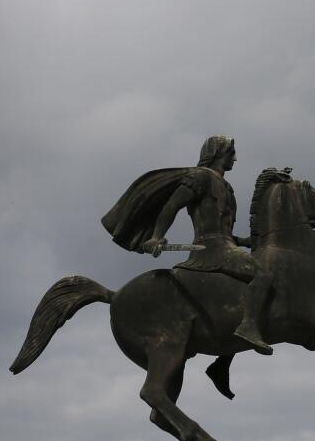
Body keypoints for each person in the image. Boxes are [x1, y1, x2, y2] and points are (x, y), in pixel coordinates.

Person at [102, 135, 275, 356]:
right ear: (217, 153)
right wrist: (157, 236)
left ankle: (222, 361)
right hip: (211, 250)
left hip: (226, 246)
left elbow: (225, 231)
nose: (235, 158)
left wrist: (243, 241)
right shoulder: (200, 178)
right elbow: (171, 206)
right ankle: (248, 327)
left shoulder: (227, 187)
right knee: (263, 276)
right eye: (231, 153)